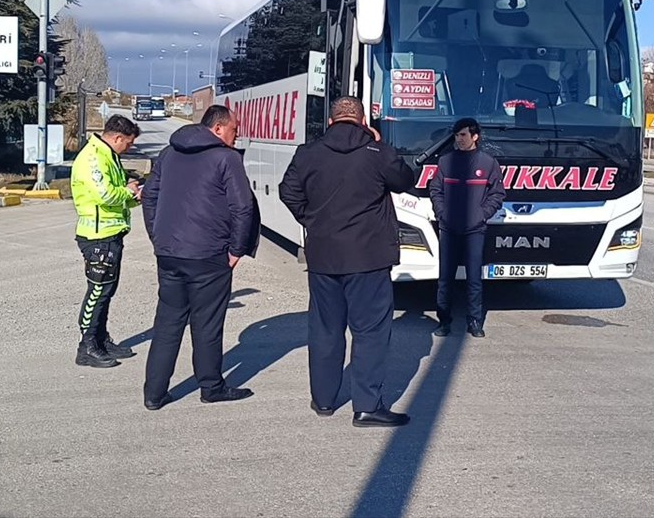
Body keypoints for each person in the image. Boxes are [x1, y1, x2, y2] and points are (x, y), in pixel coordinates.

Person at [278, 96, 416, 428]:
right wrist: (379, 143)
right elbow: (404, 180)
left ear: (331, 121)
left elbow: (288, 191)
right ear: (362, 119)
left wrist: (313, 220)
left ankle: (323, 400)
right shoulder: (376, 153)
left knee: (325, 328)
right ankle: (367, 405)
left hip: (324, 256)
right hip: (368, 257)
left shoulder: (307, 153)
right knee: (369, 331)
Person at [140, 105, 260, 411]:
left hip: (169, 253)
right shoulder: (226, 158)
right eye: (234, 129)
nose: (237, 135)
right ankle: (211, 386)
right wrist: (237, 249)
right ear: (218, 128)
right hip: (208, 255)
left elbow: (149, 196)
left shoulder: (169, 154)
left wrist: (158, 236)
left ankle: (154, 394)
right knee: (207, 324)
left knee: (167, 323)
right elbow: (243, 207)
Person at [70, 114, 143, 369]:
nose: (130, 148)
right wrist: (128, 191)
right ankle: (87, 346)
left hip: (111, 234)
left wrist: (133, 196)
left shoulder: (108, 155)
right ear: (117, 137)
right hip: (97, 237)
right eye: (129, 143)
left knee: (107, 292)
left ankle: (101, 339)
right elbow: (104, 193)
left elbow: (118, 191)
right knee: (98, 292)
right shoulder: (93, 158)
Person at [429, 118, 506, 338]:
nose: (459, 139)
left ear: (475, 136)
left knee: (474, 278)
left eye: (463, 135)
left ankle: (474, 322)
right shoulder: (446, 162)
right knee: (445, 278)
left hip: (475, 229)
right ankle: (444, 321)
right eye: (456, 135)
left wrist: (482, 215)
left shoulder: (488, 163)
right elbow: (435, 190)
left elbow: (498, 193)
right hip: (449, 228)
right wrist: (442, 213)